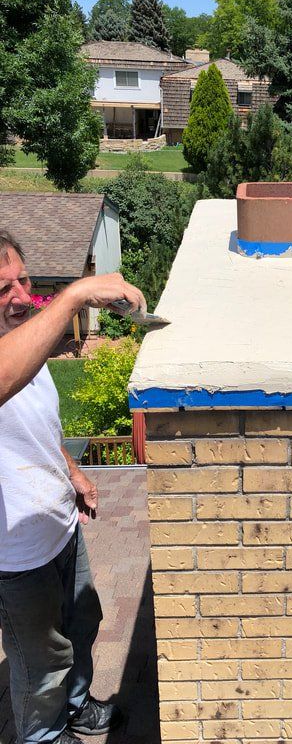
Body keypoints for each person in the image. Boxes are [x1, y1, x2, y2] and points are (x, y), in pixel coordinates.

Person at [0, 229, 146, 744]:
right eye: (3, 289)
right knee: (41, 661)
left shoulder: (28, 345)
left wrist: (74, 473)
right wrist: (77, 294)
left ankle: (77, 706)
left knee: (83, 622)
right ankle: (42, 735)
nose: (21, 297)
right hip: (15, 555)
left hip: (59, 526)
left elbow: (38, 428)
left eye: (24, 282)